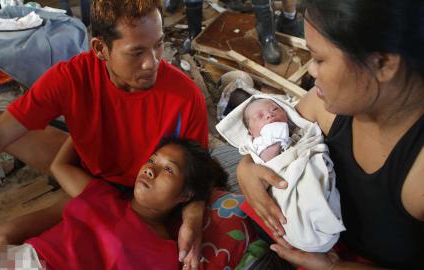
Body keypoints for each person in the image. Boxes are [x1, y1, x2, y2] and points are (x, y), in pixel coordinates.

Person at [0, 1, 210, 268]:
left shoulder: (185, 96)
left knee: (6, 235)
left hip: (125, 195)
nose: (152, 63)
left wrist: (192, 220)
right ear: (100, 48)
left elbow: (197, 177)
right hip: (90, 173)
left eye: (159, 44)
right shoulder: (71, 77)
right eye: (136, 52)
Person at [238, 0, 424, 268]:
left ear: (383, 63)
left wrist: (336, 267)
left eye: (319, 59)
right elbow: (270, 141)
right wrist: (247, 169)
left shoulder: (417, 174)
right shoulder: (324, 106)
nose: (310, 71)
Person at [21, 138, 226, 269]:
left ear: (186, 194)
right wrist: (88, 116)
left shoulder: (163, 254)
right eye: (152, 161)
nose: (149, 170)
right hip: (23, 258)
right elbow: (60, 166)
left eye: (168, 169)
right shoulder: (103, 194)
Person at [218, 94, 344, 253]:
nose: (270, 114)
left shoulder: (298, 130)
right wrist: (273, 138)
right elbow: (271, 162)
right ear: (250, 131)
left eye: (275, 109)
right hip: (284, 179)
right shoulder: (260, 144)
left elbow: (308, 136)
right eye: (260, 116)